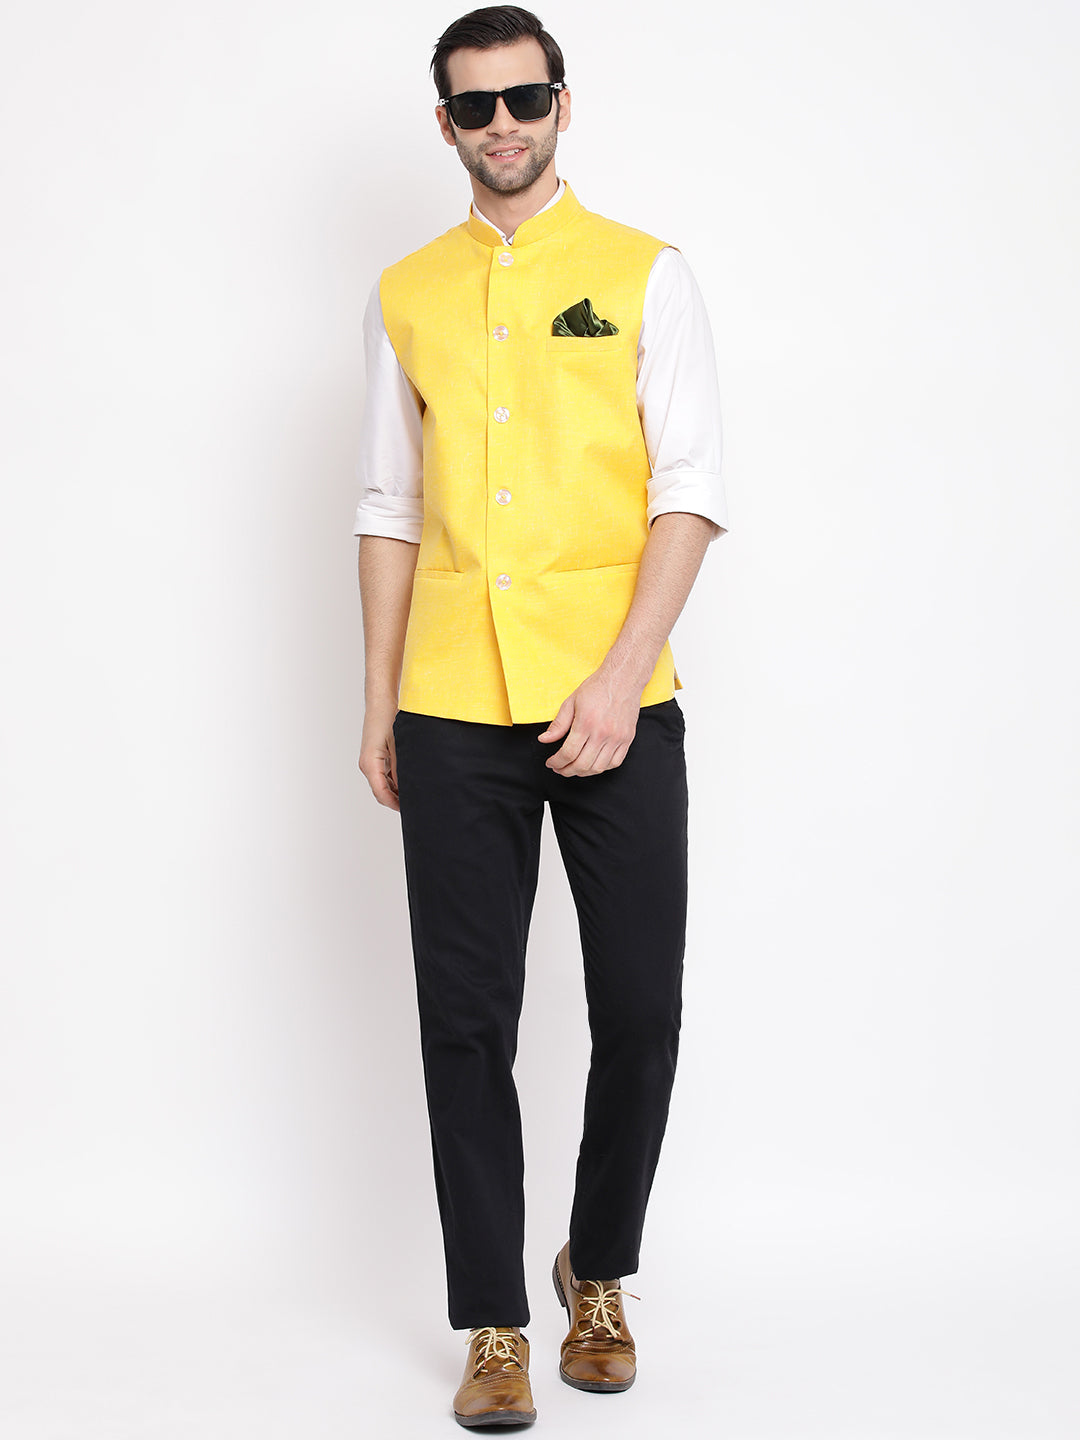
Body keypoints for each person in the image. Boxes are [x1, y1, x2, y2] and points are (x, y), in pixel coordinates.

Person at [354, 5, 728, 1427]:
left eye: (523, 98)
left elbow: (689, 493)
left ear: (563, 105)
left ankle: (599, 1271)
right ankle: (494, 1322)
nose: (501, 124)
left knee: (640, 1007)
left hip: (617, 693)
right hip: (452, 702)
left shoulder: (645, 273)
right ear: (445, 124)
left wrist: (623, 676)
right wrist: (380, 703)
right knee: (466, 1021)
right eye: (474, 105)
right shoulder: (405, 293)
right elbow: (389, 505)